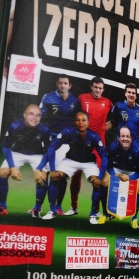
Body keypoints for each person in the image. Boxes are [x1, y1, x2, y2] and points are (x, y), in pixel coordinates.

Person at [41, 111, 107, 223]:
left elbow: (105, 156)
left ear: (88, 122)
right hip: (70, 160)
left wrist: (100, 176)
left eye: (84, 120)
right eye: (78, 120)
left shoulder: (94, 136)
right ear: (74, 122)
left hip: (88, 163)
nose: (81, 123)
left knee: (97, 183)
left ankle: (92, 214)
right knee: (54, 178)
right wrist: (52, 169)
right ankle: (52, 210)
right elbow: (52, 148)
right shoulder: (67, 132)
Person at [67, 76, 114, 217]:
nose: (98, 90)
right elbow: (73, 116)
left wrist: (103, 129)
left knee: (98, 178)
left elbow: (114, 119)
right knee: (76, 175)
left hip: (98, 147)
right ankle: (74, 207)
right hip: (81, 145)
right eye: (95, 87)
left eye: (100, 88)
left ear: (103, 89)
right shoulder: (82, 98)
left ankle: (97, 210)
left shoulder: (108, 103)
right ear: (91, 87)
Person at [0, 105, 53, 217]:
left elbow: (49, 151)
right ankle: (2, 206)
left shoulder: (44, 130)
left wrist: (39, 168)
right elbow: (6, 147)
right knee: (2, 172)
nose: (35, 118)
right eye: (31, 114)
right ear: (24, 115)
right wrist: (13, 167)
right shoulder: (15, 126)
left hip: (37, 154)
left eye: (38, 115)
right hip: (17, 152)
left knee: (43, 176)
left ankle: (37, 208)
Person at [38, 74, 78, 216]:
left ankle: (58, 206)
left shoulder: (74, 100)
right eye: (60, 83)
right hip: (50, 141)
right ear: (57, 84)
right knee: (44, 173)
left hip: (66, 144)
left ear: (69, 85)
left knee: (61, 176)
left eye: (65, 83)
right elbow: (40, 117)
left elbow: (78, 121)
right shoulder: (47, 97)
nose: (63, 85)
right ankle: (38, 206)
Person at [100, 127, 139, 224]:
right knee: (105, 181)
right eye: (122, 136)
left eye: (127, 136)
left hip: (131, 171)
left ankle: (134, 219)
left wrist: (129, 178)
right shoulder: (112, 147)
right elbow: (108, 165)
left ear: (131, 138)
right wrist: (113, 174)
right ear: (118, 138)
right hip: (116, 169)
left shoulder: (136, 151)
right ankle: (105, 214)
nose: (125, 139)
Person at [108, 83, 139, 152]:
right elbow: (112, 122)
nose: (131, 95)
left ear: (136, 96)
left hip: (134, 147)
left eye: (133, 93)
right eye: (129, 92)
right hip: (120, 144)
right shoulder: (118, 106)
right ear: (125, 93)